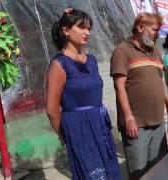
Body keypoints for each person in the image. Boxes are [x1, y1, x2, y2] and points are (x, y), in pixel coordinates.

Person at [46, 8, 121, 180]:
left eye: (89, 28)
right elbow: (51, 109)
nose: (87, 32)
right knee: (93, 174)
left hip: (100, 124)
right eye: (81, 27)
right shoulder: (59, 64)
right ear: (66, 30)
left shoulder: (92, 61)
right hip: (78, 128)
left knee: (110, 170)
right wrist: (66, 135)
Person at [110, 12, 168, 180]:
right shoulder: (122, 51)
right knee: (139, 171)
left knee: (159, 167)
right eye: (155, 29)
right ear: (140, 27)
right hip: (136, 125)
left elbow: (160, 81)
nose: (158, 34)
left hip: (158, 121)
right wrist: (129, 118)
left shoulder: (154, 52)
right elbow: (119, 88)